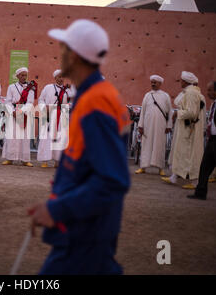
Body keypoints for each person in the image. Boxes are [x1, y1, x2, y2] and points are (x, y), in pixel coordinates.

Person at [28, 19, 131, 274]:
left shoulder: (96, 103)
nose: (60, 54)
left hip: (84, 232)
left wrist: (58, 208)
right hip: (85, 227)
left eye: (63, 48)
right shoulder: (94, 96)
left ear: (73, 55)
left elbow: (112, 180)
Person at [162, 71, 206, 189]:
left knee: (191, 155)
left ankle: (195, 182)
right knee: (182, 153)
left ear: (186, 81)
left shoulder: (191, 93)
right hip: (185, 129)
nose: (180, 82)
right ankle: (174, 176)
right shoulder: (190, 92)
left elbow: (191, 113)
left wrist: (177, 113)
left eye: (181, 80)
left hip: (189, 130)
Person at [135, 75, 173, 175]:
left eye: (155, 82)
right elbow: (143, 111)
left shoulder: (165, 96)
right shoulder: (147, 95)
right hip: (147, 125)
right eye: (152, 82)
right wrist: (140, 125)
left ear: (160, 84)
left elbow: (170, 112)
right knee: (146, 145)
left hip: (161, 125)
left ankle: (160, 168)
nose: (153, 84)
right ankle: (143, 167)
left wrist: (169, 125)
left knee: (159, 145)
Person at [37, 69, 72, 168]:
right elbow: (41, 99)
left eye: (62, 77)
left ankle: (58, 161)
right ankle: (45, 160)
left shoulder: (68, 90)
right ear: (55, 77)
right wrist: (45, 107)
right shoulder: (48, 87)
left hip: (62, 116)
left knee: (60, 138)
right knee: (47, 137)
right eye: (59, 77)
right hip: (49, 114)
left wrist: (67, 107)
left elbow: (72, 102)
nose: (61, 79)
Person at [1, 67, 36, 167]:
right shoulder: (11, 87)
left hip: (24, 113)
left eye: (25, 75)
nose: (24, 77)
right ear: (17, 76)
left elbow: (30, 102)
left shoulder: (30, 88)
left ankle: (25, 159)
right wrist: (13, 112)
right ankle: (10, 159)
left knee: (24, 136)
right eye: (22, 75)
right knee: (12, 136)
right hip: (13, 114)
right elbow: (8, 101)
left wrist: (21, 111)